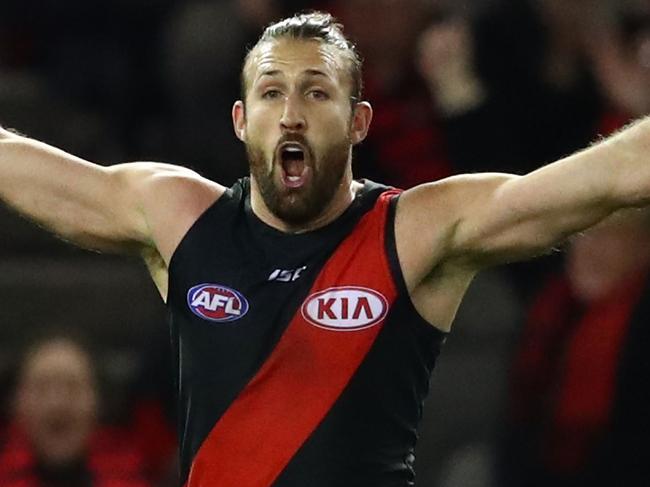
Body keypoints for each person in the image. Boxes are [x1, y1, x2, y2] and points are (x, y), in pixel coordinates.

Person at [0, 10, 649, 486]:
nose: (291, 113)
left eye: (316, 91)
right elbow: (16, 163)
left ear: (359, 121)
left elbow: (603, 180)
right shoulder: (180, 217)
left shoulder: (413, 229)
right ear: (240, 120)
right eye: (271, 92)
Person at [501, 209, 650, 486]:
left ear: (644, 247)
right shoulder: (548, 311)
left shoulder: (639, 331)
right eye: (582, 235)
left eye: (611, 236)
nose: (589, 248)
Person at [0, 336, 151, 487]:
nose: (57, 404)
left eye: (72, 387)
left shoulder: (135, 478)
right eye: (42, 389)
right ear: (17, 404)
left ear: (97, 402)